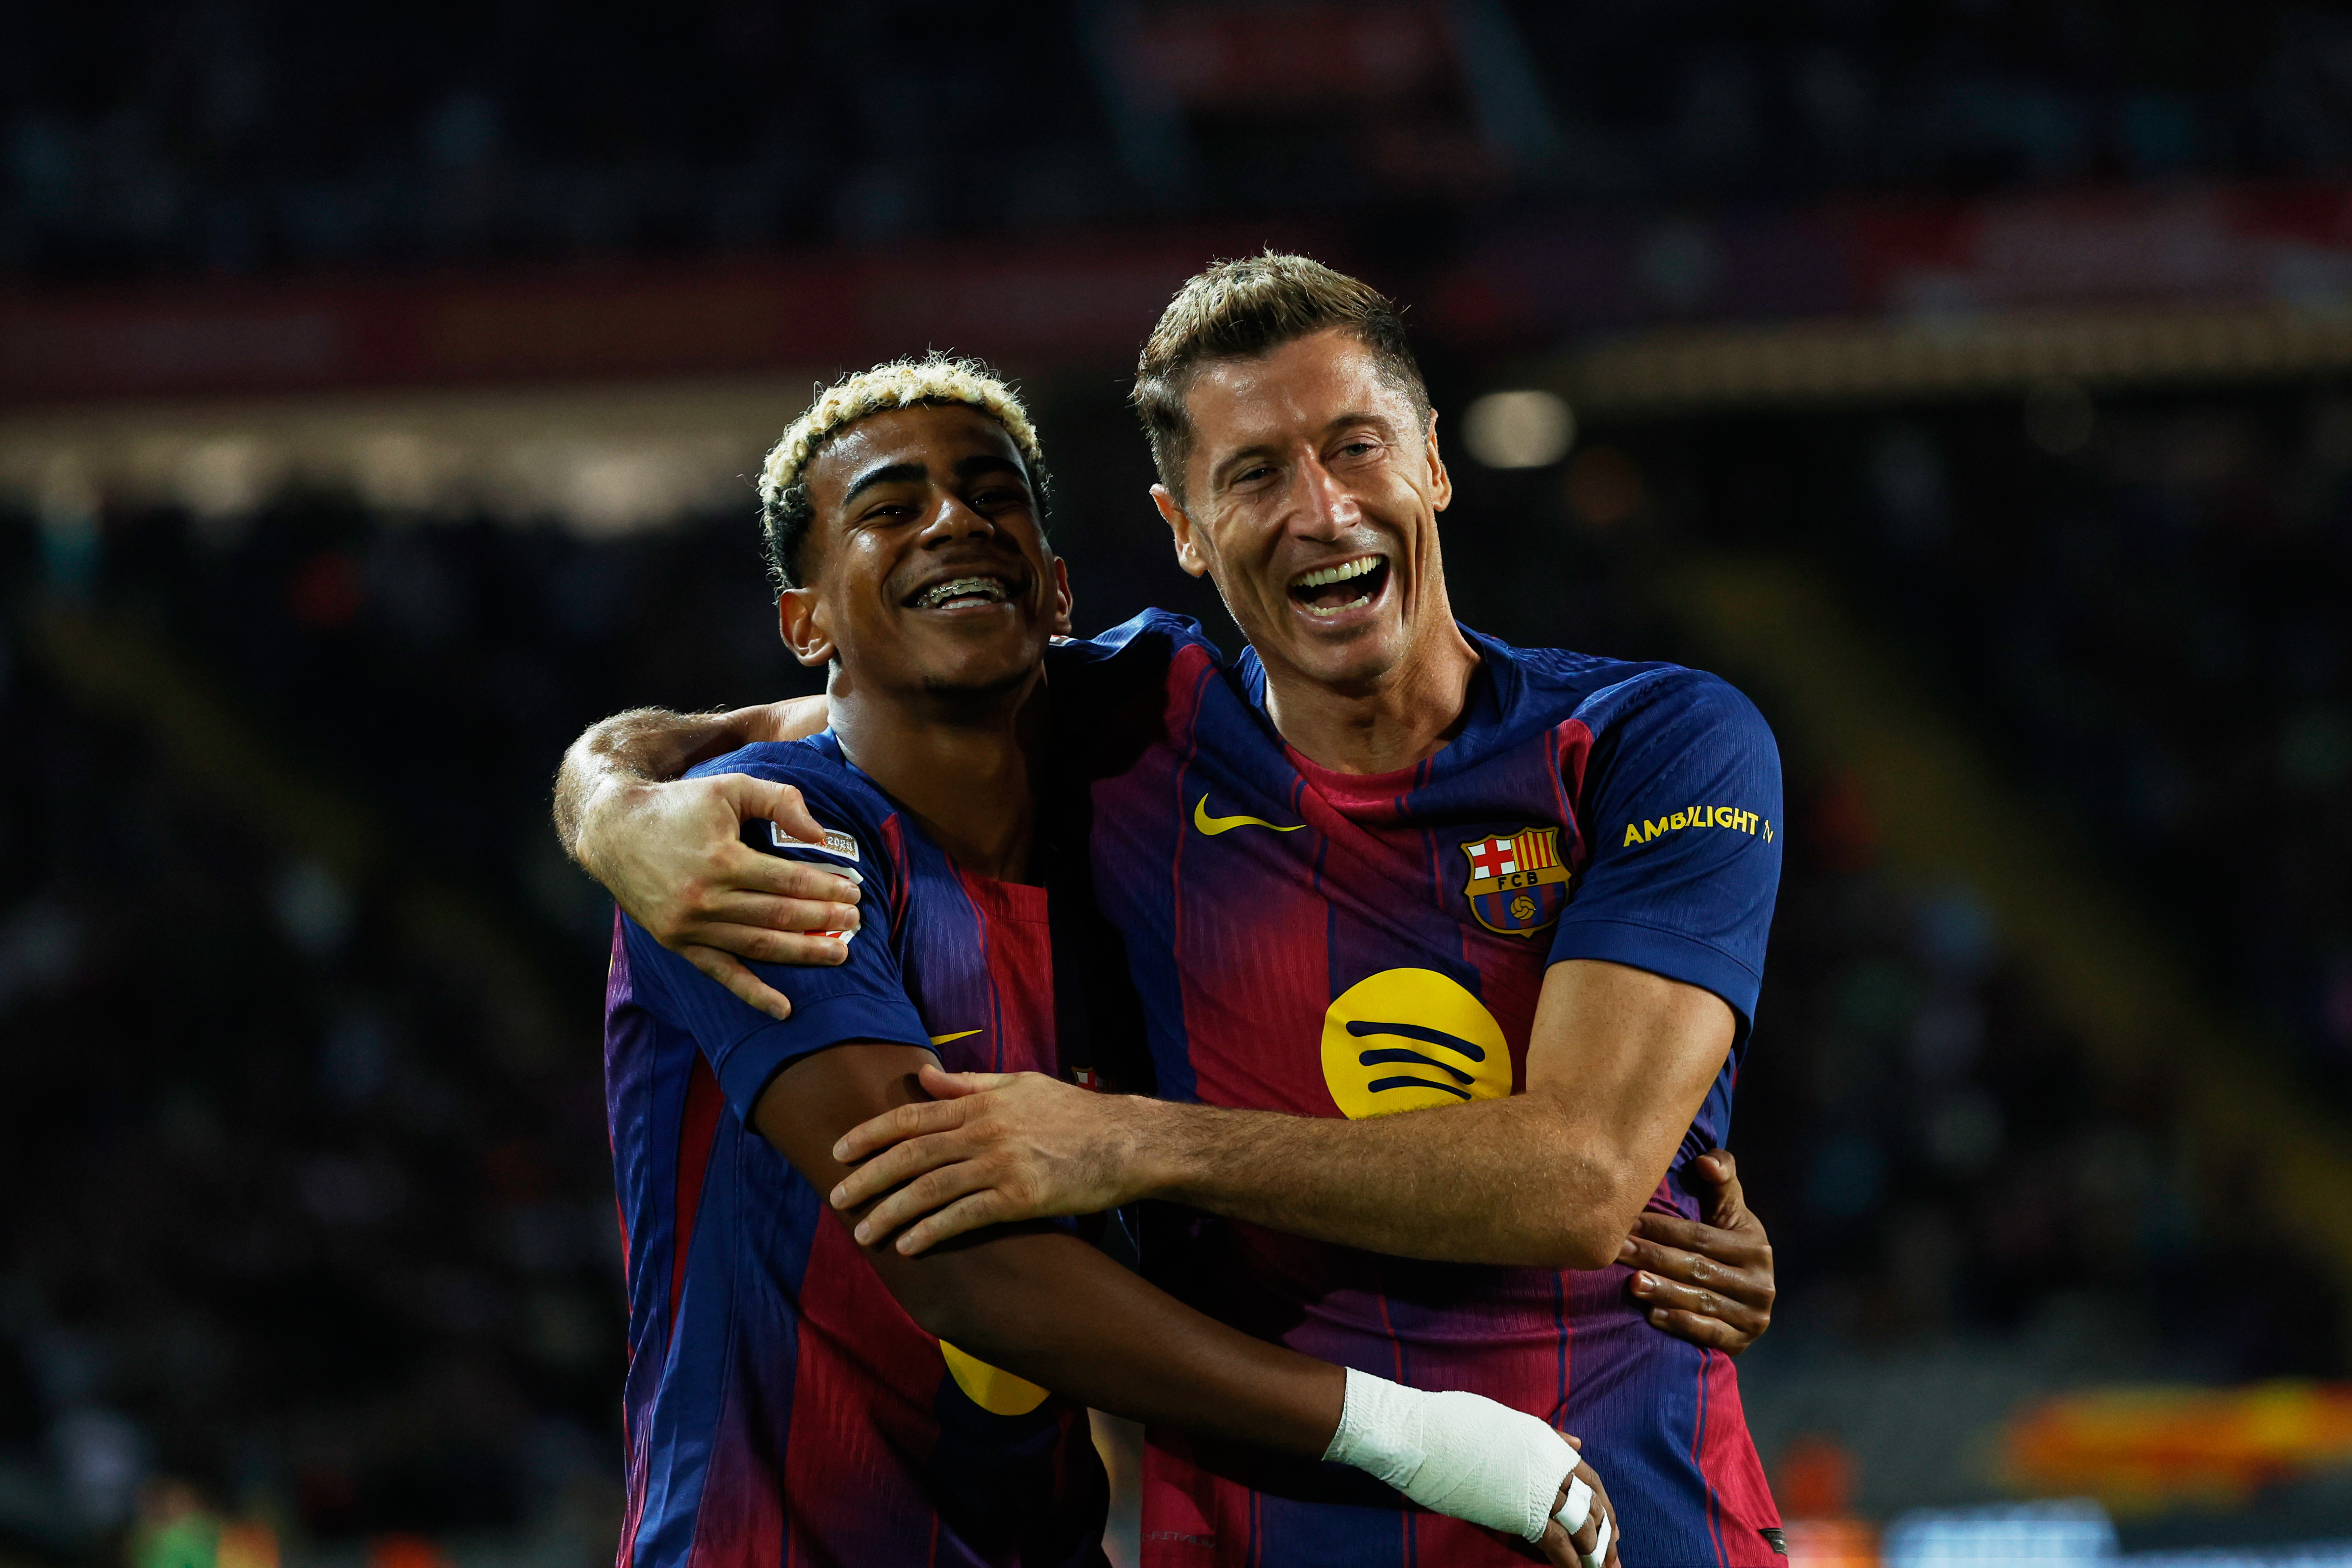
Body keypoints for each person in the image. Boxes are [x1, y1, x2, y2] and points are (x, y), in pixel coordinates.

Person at [562, 256, 1786, 1565]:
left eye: (1356, 446)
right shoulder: (1079, 746)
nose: (1320, 509)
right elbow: (864, 704)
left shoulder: (1651, 740)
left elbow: (1583, 1180)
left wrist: (1127, 1141)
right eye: (1254, 472)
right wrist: (613, 794)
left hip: (1635, 1519)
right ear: (1183, 528)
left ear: (1432, 462)